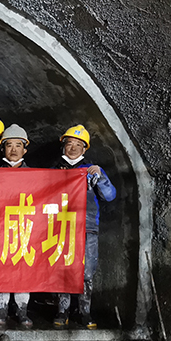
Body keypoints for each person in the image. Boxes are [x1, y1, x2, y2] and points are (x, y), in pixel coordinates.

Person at [53, 125, 116, 329]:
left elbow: (110, 196)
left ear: (84, 148)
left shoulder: (91, 171)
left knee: (87, 272)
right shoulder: (53, 171)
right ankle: (62, 310)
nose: (73, 148)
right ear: (63, 146)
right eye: (69, 143)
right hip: (61, 227)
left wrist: (101, 178)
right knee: (62, 269)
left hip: (87, 228)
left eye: (78, 144)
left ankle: (85, 311)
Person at [0, 124, 33, 329]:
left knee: (22, 268)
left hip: (23, 228)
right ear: (3, 149)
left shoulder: (35, 175)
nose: (14, 149)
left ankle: (22, 309)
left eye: (18, 145)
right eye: (9, 145)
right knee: (1, 267)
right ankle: (1, 309)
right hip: (0, 228)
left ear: (25, 149)